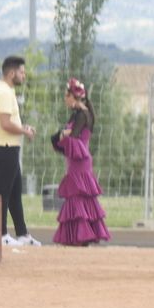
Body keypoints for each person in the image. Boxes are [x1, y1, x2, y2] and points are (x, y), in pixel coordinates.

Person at [50, 78, 110, 247]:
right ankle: (79, 236)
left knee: (77, 195)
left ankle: (80, 236)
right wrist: (61, 135)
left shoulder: (82, 114)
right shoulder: (80, 113)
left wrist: (61, 135)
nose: (64, 99)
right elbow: (70, 134)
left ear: (73, 96)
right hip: (78, 159)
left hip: (79, 161)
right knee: (80, 196)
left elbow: (74, 136)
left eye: (66, 95)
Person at [0, 55, 38, 246]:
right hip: (4, 146)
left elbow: (8, 122)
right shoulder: (5, 93)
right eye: (22, 72)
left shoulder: (0, 90)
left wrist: (22, 127)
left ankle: (22, 234)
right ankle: (1, 235)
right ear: (12, 72)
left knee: (14, 192)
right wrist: (24, 131)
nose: (24, 76)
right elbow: (5, 123)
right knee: (4, 192)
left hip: (4, 146)